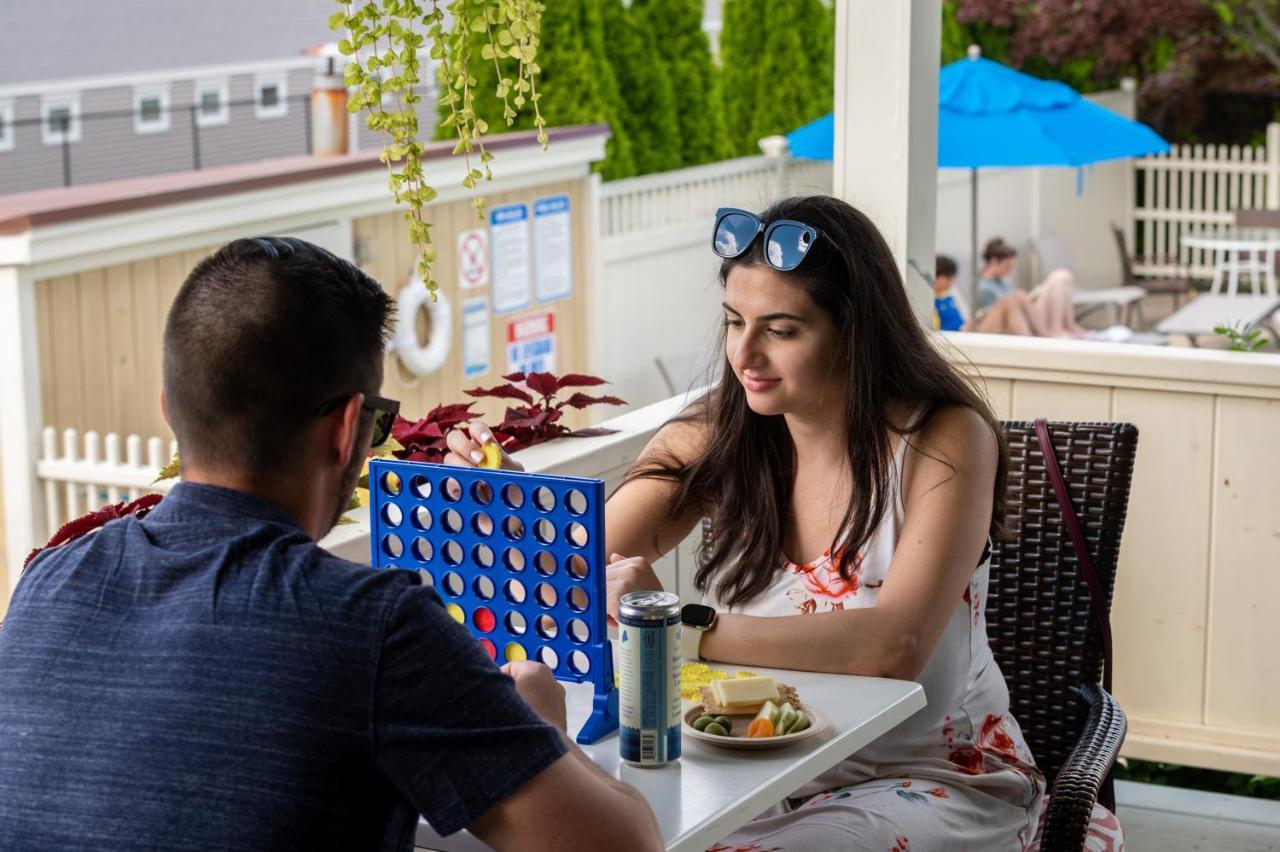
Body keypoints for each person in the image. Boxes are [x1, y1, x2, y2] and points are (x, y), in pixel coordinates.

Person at [0, 237, 661, 852]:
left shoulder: (49, 583)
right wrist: (543, 728)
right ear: (349, 428)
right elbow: (624, 844)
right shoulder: (372, 626)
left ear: (170, 407)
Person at [447, 198, 1047, 849]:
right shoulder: (718, 431)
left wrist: (679, 627)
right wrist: (506, 499)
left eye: (782, 330)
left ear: (855, 330)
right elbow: (580, 566)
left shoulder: (943, 438)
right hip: (751, 770)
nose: (745, 354)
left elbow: (893, 647)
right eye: (735, 322)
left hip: (930, 779)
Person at [978, 237, 1087, 338]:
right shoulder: (983, 287)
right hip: (1013, 326)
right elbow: (995, 313)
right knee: (1057, 278)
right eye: (1007, 267)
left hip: (1027, 319)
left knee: (1063, 277)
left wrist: (1029, 299)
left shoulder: (1004, 281)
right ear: (993, 262)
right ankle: (1052, 333)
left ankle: (1068, 327)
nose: (1009, 271)